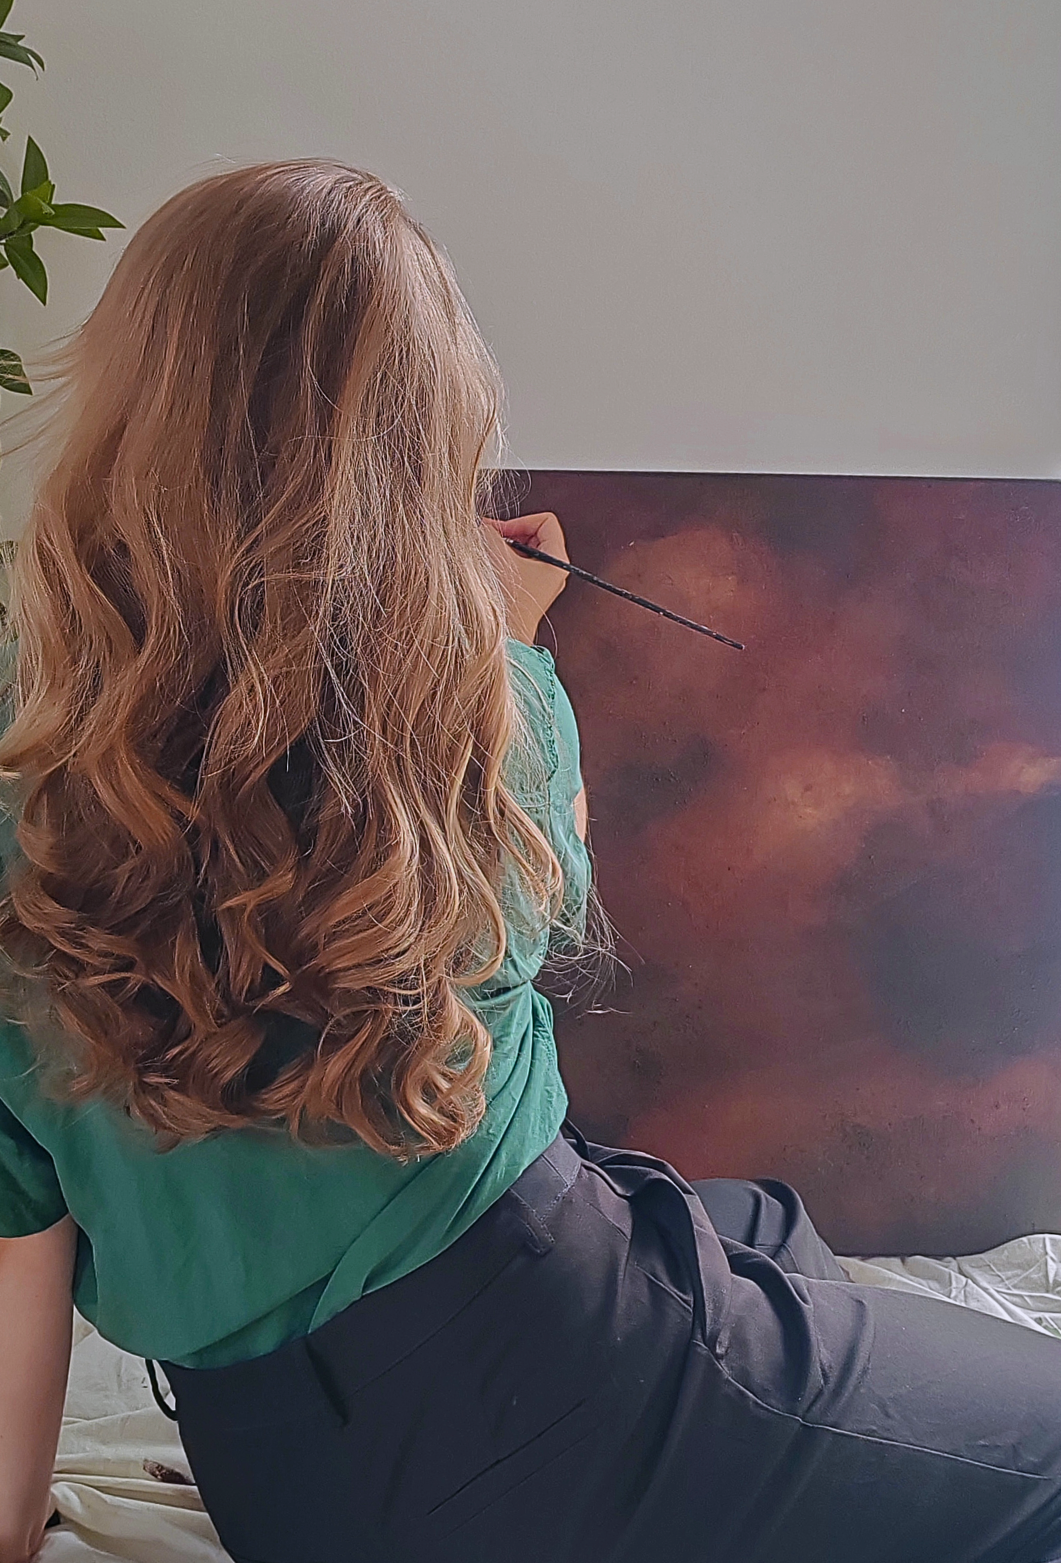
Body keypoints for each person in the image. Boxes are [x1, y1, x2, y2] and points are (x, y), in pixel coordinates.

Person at [0, 161, 1060, 1563]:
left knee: (756, 1228)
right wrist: (509, 641)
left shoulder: (26, 762)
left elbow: (20, 1241)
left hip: (285, 1480)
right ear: (415, 435)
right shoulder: (473, 709)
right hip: (564, 1384)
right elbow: (533, 904)